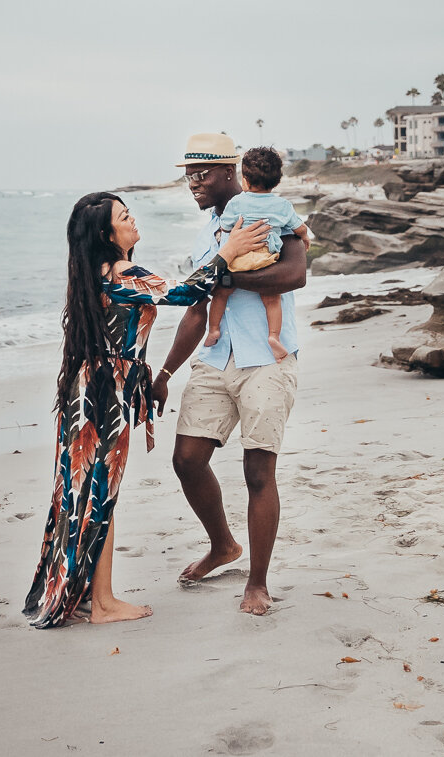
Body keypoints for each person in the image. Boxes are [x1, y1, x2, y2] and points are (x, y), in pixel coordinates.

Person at [23, 191, 272, 628]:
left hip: (95, 389)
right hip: (103, 396)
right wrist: (227, 251)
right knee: (99, 493)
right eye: (124, 216)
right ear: (106, 234)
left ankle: (84, 593)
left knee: (86, 492)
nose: (133, 220)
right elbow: (182, 293)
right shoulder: (119, 270)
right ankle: (102, 603)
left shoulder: (96, 271)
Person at [150, 132, 311, 616]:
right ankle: (223, 546)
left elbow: (294, 274)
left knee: (258, 471)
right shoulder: (208, 233)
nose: (192, 184)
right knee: (187, 459)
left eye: (199, 175)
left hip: (268, 357)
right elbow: (196, 310)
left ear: (228, 172)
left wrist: (223, 274)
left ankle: (257, 583)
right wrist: (164, 372)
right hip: (217, 357)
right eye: (187, 176)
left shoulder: (269, 212)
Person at [202, 147, 309, 361]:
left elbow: (225, 227)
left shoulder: (236, 203)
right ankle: (274, 337)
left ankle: (213, 329)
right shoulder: (282, 205)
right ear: (276, 181)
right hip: (265, 259)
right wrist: (305, 238)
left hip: (239, 257)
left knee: (222, 292)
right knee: (272, 299)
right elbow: (299, 228)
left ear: (246, 180)